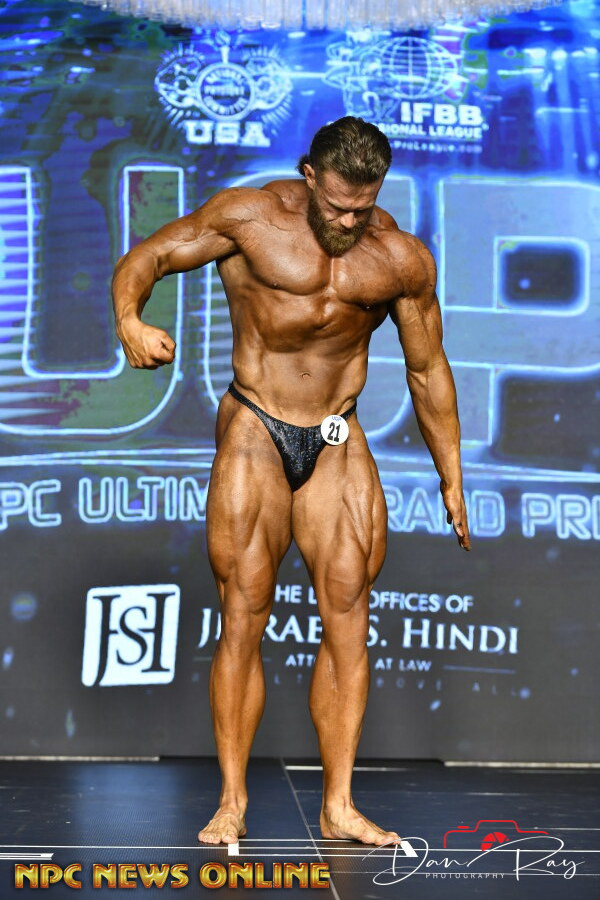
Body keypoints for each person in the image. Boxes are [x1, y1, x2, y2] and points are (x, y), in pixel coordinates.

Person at [112, 116, 471, 848]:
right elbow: (152, 254)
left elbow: (428, 368)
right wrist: (130, 319)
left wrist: (452, 475)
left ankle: (338, 805)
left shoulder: (399, 258)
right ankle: (232, 802)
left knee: (349, 611)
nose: (348, 222)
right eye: (336, 206)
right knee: (244, 610)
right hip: (257, 424)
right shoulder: (250, 219)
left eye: (362, 209)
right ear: (310, 176)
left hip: (337, 433)